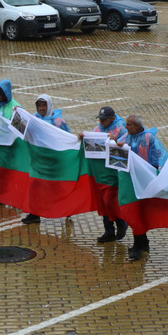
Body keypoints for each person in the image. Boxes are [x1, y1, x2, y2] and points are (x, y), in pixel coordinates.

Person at [117, 114, 168, 260]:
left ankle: (140, 245)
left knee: (137, 212)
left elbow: (160, 158)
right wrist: (116, 144)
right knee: (133, 212)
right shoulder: (126, 137)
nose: (125, 127)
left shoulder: (149, 139)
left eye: (128, 125)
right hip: (130, 181)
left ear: (137, 126)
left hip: (143, 182)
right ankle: (142, 242)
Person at [81, 106, 130, 242]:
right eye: (100, 119)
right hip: (100, 173)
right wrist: (83, 137)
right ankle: (109, 230)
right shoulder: (98, 128)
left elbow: (126, 144)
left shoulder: (121, 128)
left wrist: (116, 140)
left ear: (112, 118)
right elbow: (90, 140)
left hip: (114, 173)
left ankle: (121, 224)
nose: (101, 122)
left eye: (104, 119)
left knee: (110, 200)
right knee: (103, 201)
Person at [20, 94, 71, 224]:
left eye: (44, 105)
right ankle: (34, 214)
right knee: (34, 186)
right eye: (39, 106)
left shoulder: (59, 122)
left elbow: (68, 138)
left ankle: (68, 209)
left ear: (49, 106)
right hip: (37, 161)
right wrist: (17, 117)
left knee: (58, 187)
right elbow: (21, 132)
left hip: (54, 162)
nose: (41, 108)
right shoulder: (32, 119)